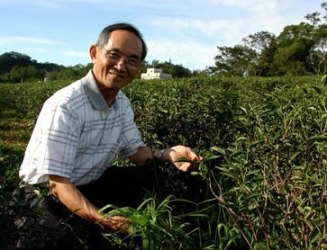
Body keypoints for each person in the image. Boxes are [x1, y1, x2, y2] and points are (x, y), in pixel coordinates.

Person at [19, 22, 201, 240]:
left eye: (132, 60)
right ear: (94, 53)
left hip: (89, 181)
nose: (121, 65)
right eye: (114, 54)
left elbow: (135, 152)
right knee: (64, 238)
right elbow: (58, 183)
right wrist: (102, 220)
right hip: (46, 193)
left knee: (151, 177)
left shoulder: (121, 102)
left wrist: (169, 153)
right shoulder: (67, 105)